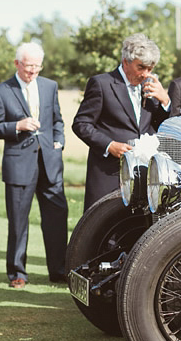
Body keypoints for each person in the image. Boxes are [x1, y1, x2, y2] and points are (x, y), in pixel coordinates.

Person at [0, 42, 68, 288]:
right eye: (28, 66)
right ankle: (17, 272)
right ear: (16, 64)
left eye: (37, 67)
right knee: (19, 221)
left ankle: (59, 270)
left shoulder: (50, 86)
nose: (33, 71)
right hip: (19, 166)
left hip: (50, 163)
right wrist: (17, 126)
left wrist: (59, 142)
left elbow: (58, 120)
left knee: (56, 218)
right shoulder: (2, 91)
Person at [73, 33, 170, 211]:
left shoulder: (151, 87)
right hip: (108, 174)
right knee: (103, 233)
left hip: (143, 177)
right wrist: (109, 145)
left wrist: (165, 101)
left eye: (150, 68)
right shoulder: (101, 84)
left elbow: (162, 127)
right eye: (141, 67)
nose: (146, 74)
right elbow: (81, 124)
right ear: (126, 61)